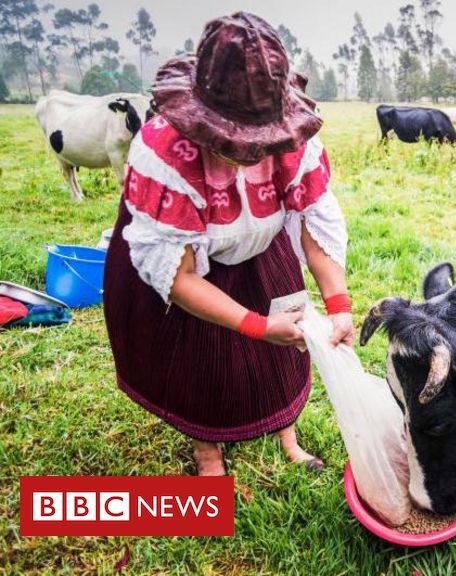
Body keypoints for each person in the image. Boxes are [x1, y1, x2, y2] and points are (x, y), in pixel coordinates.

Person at [103, 12, 352, 476]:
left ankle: (286, 435)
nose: (254, 153)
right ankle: (208, 452)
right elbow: (179, 279)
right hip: (190, 261)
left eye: (263, 140)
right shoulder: (164, 154)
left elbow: (310, 220)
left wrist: (338, 304)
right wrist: (256, 325)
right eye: (240, 140)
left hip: (260, 245)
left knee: (283, 350)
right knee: (204, 365)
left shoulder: (289, 142)